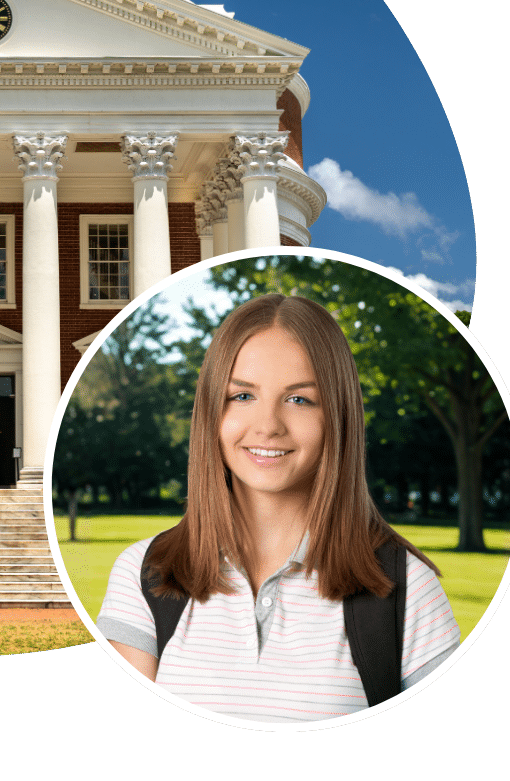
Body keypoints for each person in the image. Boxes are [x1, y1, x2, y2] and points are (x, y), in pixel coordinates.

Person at [97, 293, 459, 723]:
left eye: (299, 399)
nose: (268, 425)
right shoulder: (142, 575)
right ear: (212, 411)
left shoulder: (406, 590)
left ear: (337, 418)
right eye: (243, 396)